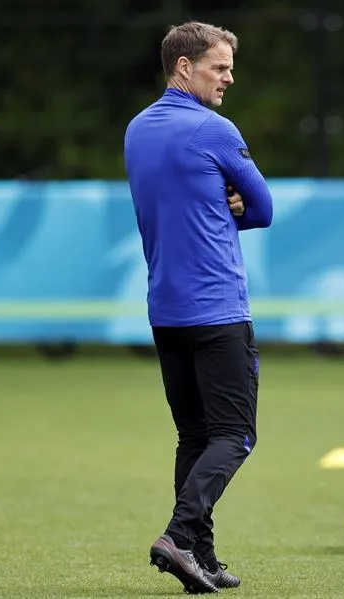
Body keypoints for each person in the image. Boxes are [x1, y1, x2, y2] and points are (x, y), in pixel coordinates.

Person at [123, 21, 274, 595]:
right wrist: (229, 202)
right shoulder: (213, 130)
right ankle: (180, 535)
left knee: (194, 436)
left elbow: (180, 196)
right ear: (183, 68)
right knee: (235, 435)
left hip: (164, 310)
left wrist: (215, 200)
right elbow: (261, 207)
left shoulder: (137, 130)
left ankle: (200, 560)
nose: (229, 77)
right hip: (216, 310)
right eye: (219, 66)